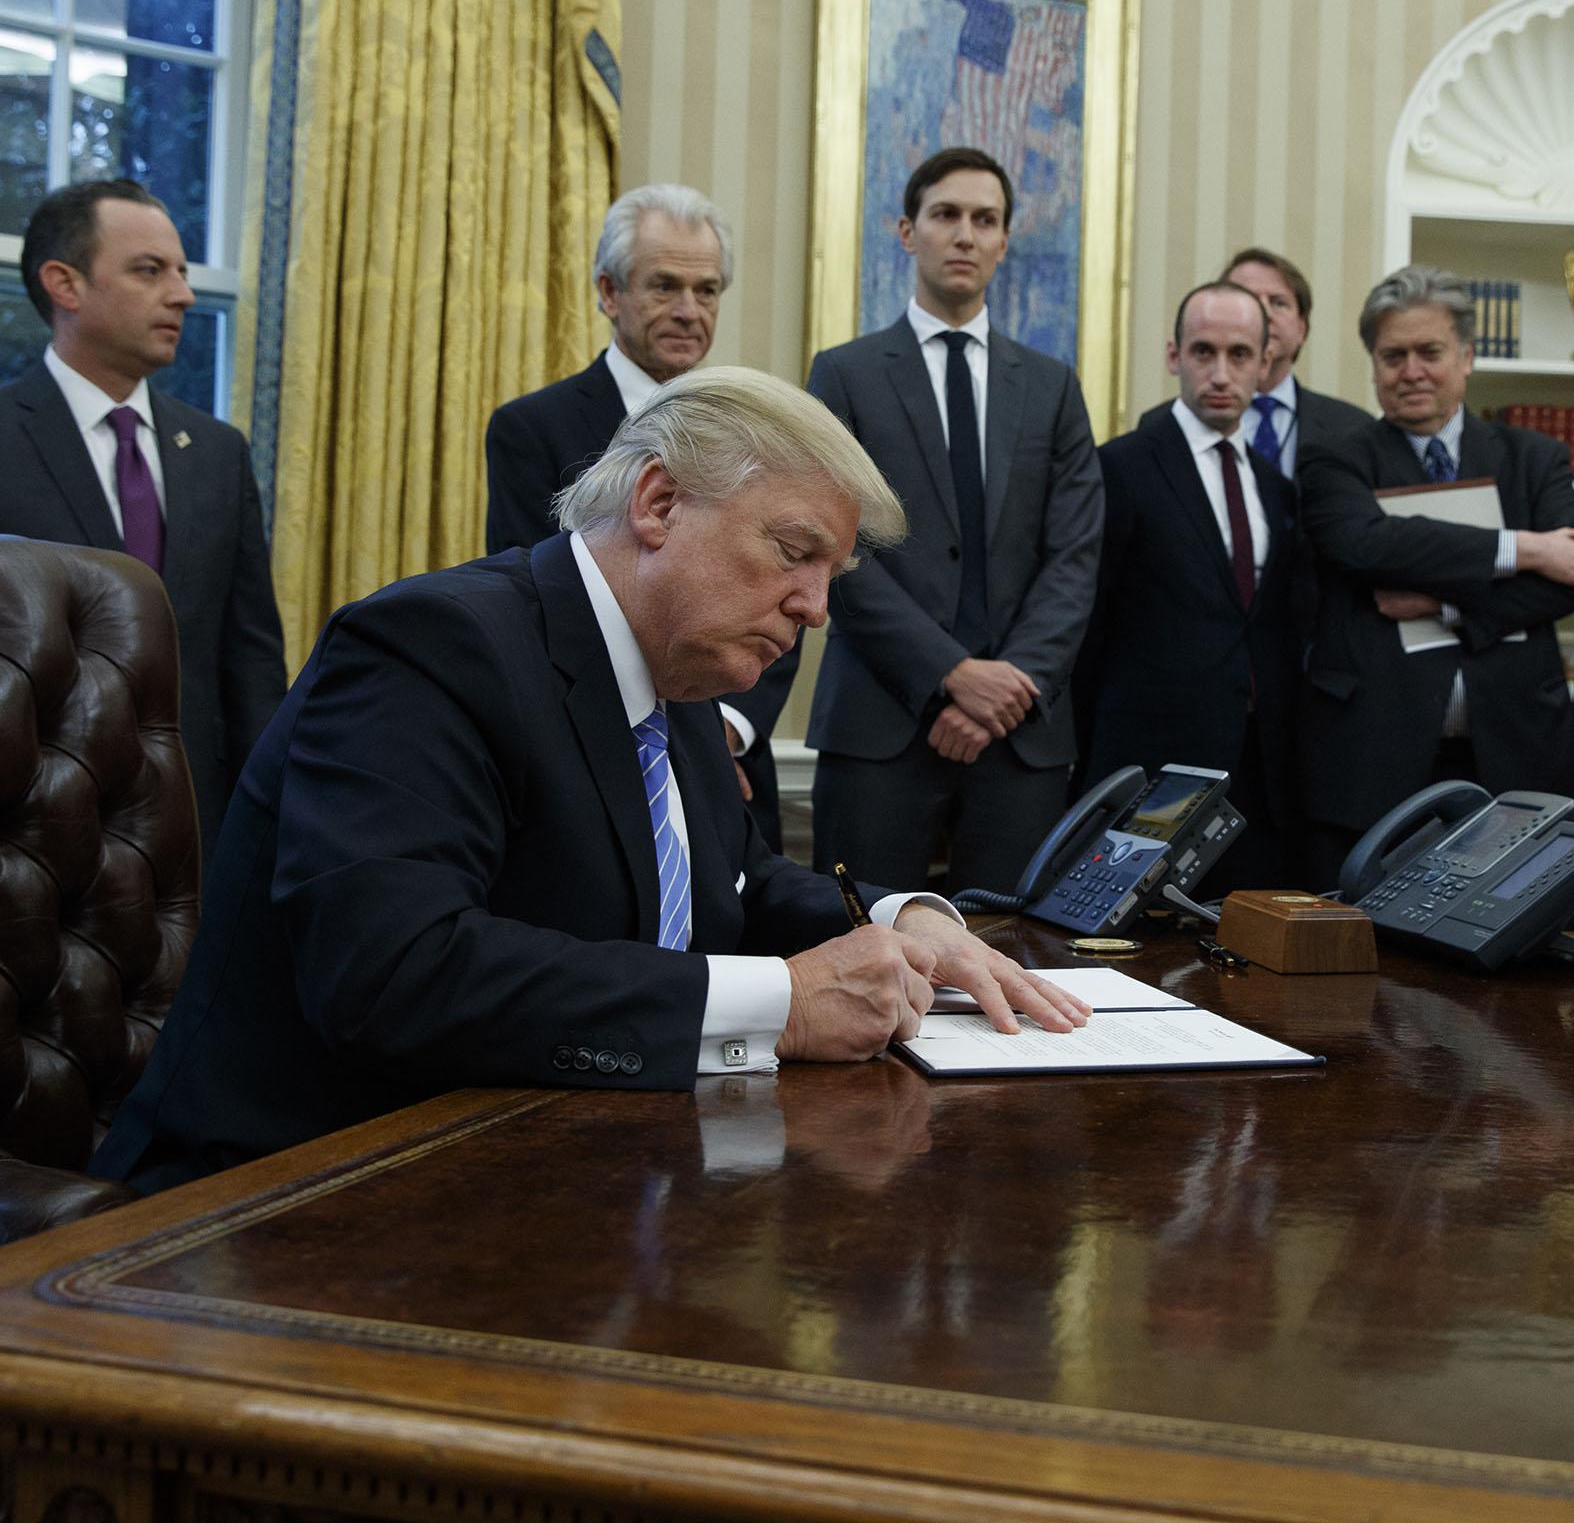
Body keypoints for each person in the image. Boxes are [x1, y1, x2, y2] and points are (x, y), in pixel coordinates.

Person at [90, 368, 1091, 1195]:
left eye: (830, 575)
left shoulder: (681, 682)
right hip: (289, 1197)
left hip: (536, 1170)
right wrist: (778, 1002)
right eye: (794, 555)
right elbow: (393, 972)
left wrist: (907, 914)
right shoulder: (431, 649)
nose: (815, 609)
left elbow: (732, 890)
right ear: (658, 503)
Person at [805, 147, 1103, 896]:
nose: (965, 234)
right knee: (860, 951)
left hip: (1019, 738)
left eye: (985, 219)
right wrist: (949, 675)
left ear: (1005, 240)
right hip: (881, 724)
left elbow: (1074, 556)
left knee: (1017, 964)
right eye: (946, 215)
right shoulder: (844, 375)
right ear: (908, 232)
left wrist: (1005, 691)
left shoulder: (1051, 386)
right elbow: (831, 545)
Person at [484, 185, 792, 847]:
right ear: (609, 291)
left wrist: (726, 730)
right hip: (586, 767)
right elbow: (534, 610)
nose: (689, 311)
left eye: (707, 291)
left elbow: (789, 597)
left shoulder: (765, 437)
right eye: (664, 287)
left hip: (729, 774)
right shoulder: (531, 429)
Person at [0, 178, 285, 860]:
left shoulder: (217, 452)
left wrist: (270, 820)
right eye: (149, 271)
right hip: (29, 824)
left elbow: (248, 658)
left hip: (195, 828)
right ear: (64, 285)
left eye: (183, 272)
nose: (182, 294)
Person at [1295, 265, 1574, 887]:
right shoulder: (1335, 457)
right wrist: (1522, 549)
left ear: (1466, 357)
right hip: (1380, 756)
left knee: (1519, 954)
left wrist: (1444, 604)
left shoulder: (1534, 457)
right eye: (1393, 356)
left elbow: (1569, 581)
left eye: (1429, 352)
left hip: (1517, 751)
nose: (1411, 371)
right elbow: (1366, 543)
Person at [1075, 281, 1299, 894]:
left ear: (1265, 363)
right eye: (1204, 352)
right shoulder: (1120, 467)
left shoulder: (1277, 487)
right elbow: (1087, 625)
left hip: (1256, 774)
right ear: (1175, 356)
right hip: (1146, 767)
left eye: (1239, 354)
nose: (1220, 373)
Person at [1221, 246, 1373, 478]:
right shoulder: (1169, 425)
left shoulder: (1354, 427)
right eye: (1248, 301)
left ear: (1301, 328)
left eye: (1278, 303)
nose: (1265, 314)